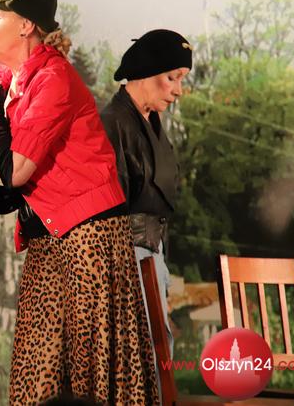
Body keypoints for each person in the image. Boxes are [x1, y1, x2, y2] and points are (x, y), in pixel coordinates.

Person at [0, 0, 158, 405]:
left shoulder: (53, 79)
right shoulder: (14, 82)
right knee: (38, 371)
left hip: (87, 240)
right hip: (49, 237)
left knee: (90, 373)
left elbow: (17, 170)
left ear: (25, 24)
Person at [100, 29, 192, 359]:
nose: (178, 90)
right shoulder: (112, 124)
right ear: (145, 71)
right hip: (124, 264)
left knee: (156, 359)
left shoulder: (151, 123)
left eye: (181, 80)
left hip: (153, 256)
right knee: (138, 362)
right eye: (172, 78)